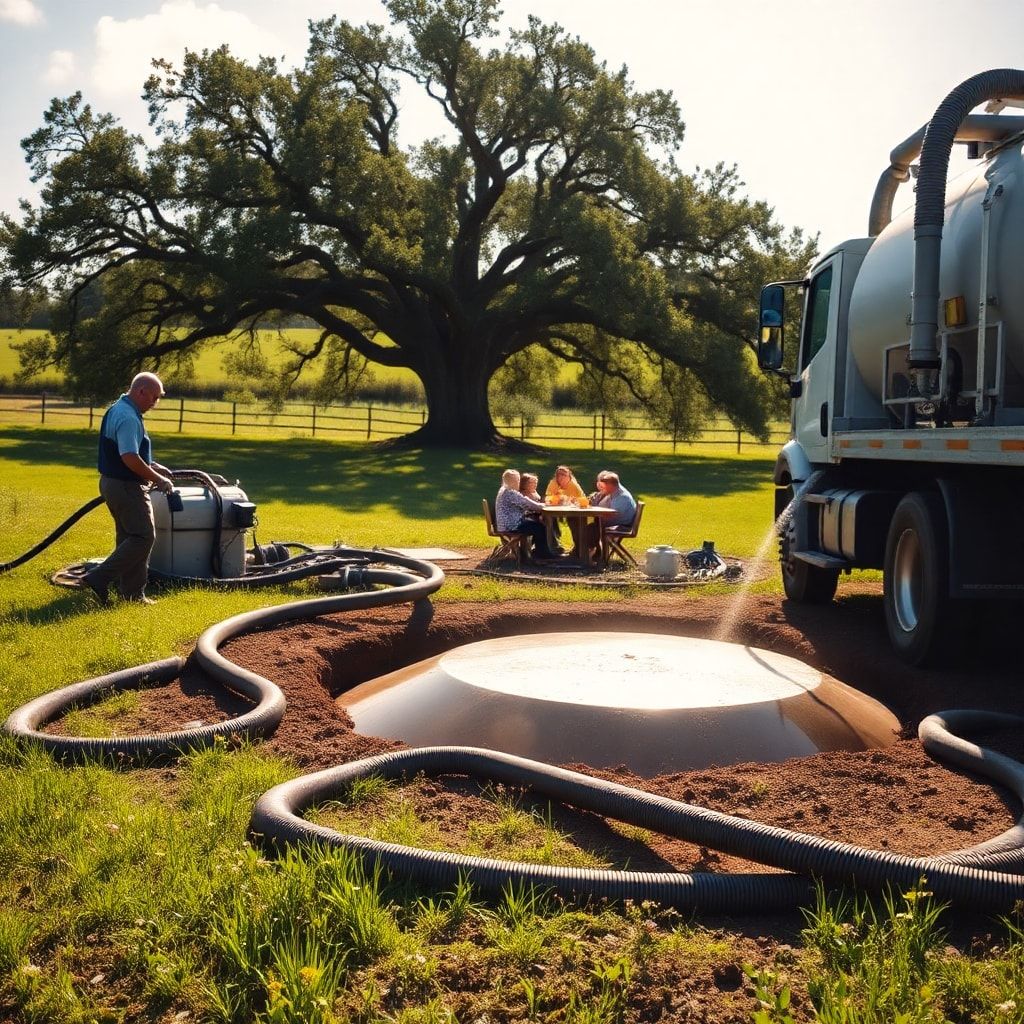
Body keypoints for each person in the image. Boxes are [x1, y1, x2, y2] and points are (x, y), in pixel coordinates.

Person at [83, 372, 175, 605]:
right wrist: (158, 479)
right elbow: (130, 458)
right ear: (140, 391)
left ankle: (132, 594)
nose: (155, 403)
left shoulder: (119, 409)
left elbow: (128, 452)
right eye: (153, 397)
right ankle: (99, 578)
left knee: (129, 538)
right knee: (144, 536)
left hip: (113, 483)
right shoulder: (128, 417)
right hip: (126, 486)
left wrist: (154, 466)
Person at [495, 468, 554, 560]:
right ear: (512, 481)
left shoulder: (504, 490)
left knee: (536, 524)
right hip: (512, 526)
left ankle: (535, 551)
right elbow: (529, 504)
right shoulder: (510, 493)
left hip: (506, 524)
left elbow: (525, 504)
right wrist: (545, 505)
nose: (519, 482)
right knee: (539, 527)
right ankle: (542, 554)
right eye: (517, 479)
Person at [584, 470, 637, 560]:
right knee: (591, 526)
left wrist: (597, 514)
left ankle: (591, 555)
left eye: (604, 487)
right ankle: (594, 553)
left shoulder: (622, 497)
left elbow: (612, 514)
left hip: (623, 526)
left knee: (591, 528)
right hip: (618, 522)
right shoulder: (615, 492)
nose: (602, 489)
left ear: (610, 485)